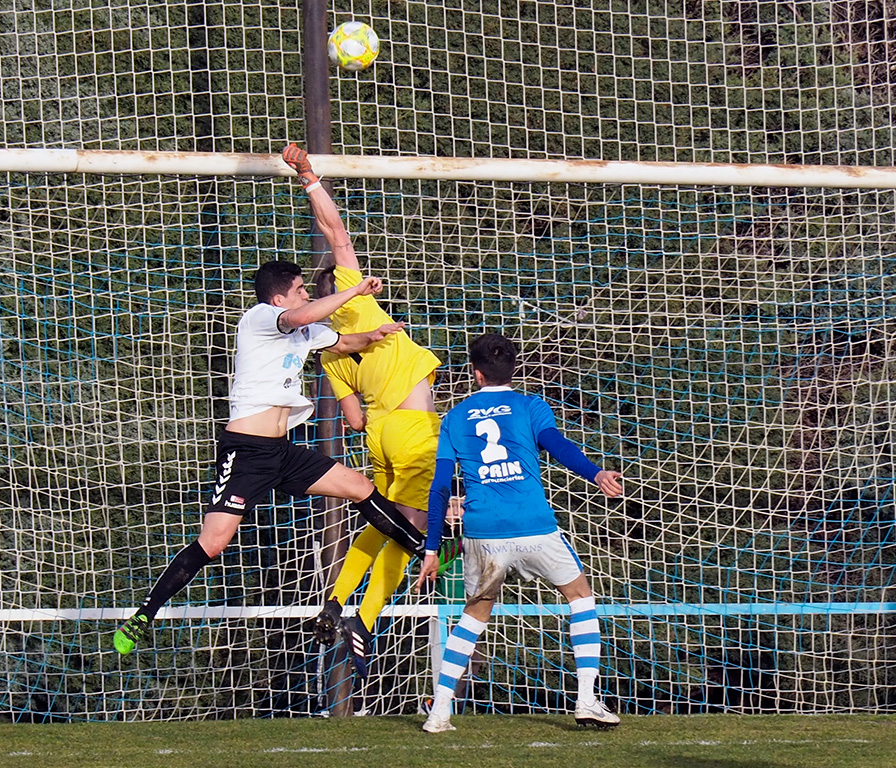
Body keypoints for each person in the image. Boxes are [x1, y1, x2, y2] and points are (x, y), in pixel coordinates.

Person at [112, 259, 457, 655]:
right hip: (246, 452)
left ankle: (425, 546)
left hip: (282, 451)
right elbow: (305, 314)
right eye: (299, 289)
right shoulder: (260, 318)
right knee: (213, 543)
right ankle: (145, 613)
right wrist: (354, 290)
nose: (307, 294)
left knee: (359, 487)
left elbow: (343, 342)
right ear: (279, 299)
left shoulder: (304, 331)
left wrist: (374, 334)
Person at [281, 143, 460, 679]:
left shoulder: (328, 351)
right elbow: (338, 233)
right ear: (335, 291)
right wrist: (310, 175)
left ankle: (334, 600)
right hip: (412, 431)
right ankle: (364, 617)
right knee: (422, 532)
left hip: (378, 437)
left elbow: (354, 420)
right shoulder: (356, 302)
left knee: (386, 523)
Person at [415, 333, 624, 732]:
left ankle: (440, 711)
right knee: (580, 597)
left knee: (474, 615)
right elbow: (556, 445)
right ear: (514, 368)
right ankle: (585, 699)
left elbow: (441, 486)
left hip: (483, 531)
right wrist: (595, 473)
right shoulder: (530, 405)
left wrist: (431, 548)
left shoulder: (455, 418)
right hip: (533, 526)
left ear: (475, 373)